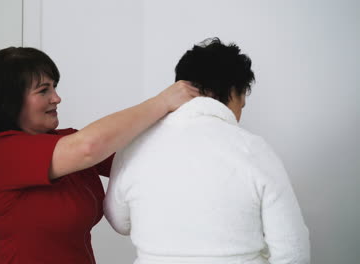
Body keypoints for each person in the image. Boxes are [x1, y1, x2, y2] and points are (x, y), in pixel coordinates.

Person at [0, 47, 199, 264]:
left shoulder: (66, 141)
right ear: (11, 100)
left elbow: (139, 160)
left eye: (54, 87)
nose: (57, 98)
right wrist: (163, 101)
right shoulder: (2, 154)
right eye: (44, 90)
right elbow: (88, 147)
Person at [104, 38, 310, 264]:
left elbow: (119, 221)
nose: (242, 108)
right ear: (234, 93)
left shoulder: (134, 144)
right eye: (243, 98)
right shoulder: (254, 149)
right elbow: (292, 250)